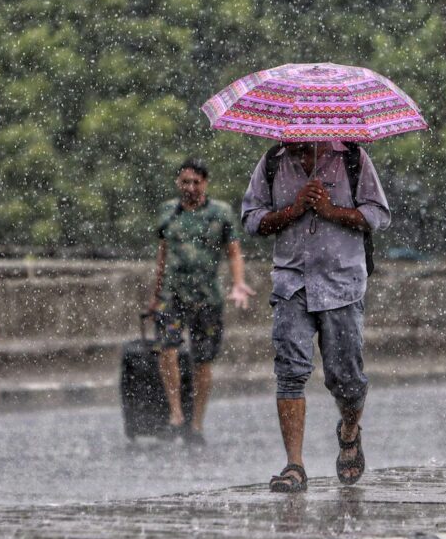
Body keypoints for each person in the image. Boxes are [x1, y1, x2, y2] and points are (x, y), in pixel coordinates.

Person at [241, 140, 391, 491]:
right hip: (291, 283)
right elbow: (251, 219)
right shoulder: (272, 162)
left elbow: (378, 215)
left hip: (342, 283)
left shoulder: (352, 158)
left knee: (347, 380)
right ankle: (295, 465)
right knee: (290, 372)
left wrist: (331, 210)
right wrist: (291, 211)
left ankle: (349, 431)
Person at [149, 157, 255, 446]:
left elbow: (234, 251)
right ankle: (175, 414)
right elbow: (163, 252)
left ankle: (196, 422)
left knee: (203, 360)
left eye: (196, 182)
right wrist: (155, 294)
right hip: (172, 295)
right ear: (177, 182)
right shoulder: (168, 212)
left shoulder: (220, 213)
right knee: (167, 349)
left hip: (207, 298)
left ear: (205, 184)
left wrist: (238, 283)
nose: (191, 187)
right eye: (185, 182)